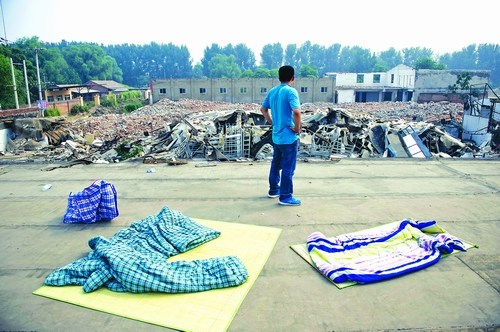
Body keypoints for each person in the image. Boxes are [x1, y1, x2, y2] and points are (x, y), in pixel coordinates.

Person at [260, 65, 302, 206]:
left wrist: (272, 122)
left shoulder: (273, 91)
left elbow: (263, 109)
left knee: (276, 164)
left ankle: (274, 190)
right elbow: (296, 112)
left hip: (276, 137)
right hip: (288, 138)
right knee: (288, 168)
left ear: (279, 77)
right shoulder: (290, 91)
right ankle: (285, 197)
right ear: (292, 78)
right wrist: (297, 128)